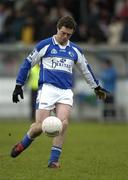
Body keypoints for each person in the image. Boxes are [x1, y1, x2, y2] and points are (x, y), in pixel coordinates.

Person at [10, 16, 108, 168]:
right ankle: (23, 143)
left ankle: (53, 160)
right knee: (39, 127)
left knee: (63, 123)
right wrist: (19, 85)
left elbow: (85, 69)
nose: (65, 37)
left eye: (69, 34)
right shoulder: (45, 45)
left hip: (65, 91)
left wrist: (96, 87)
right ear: (58, 29)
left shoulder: (75, 50)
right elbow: (27, 63)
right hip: (47, 89)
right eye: (63, 33)